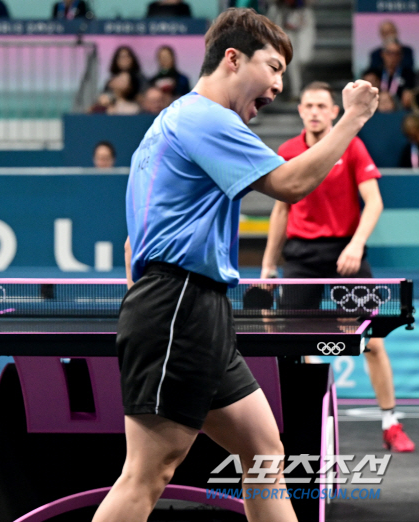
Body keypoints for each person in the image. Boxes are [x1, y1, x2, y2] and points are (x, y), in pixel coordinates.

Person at [92, 8, 379, 522]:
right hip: (178, 306)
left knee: (265, 452)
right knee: (146, 474)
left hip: (196, 309)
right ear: (232, 58)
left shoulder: (170, 122)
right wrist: (352, 118)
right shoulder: (206, 116)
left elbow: (133, 244)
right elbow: (289, 186)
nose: (277, 84)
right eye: (272, 67)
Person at [260, 81, 414, 453]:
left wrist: (356, 245)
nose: (314, 111)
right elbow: (281, 210)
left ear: (334, 111)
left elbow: (373, 202)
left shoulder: (353, 146)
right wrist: (268, 266)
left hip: (346, 255)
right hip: (300, 258)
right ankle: (306, 423)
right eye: (308, 105)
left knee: (373, 342)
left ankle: (390, 422)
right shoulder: (288, 150)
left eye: (321, 106)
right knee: (298, 348)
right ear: (300, 111)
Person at [266, 0, 315, 100]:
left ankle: (293, 81)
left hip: (303, 15)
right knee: (291, 59)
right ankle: (295, 91)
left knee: (304, 58)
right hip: (282, 15)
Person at [377, 38, 415, 110]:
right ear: (383, 54)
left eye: (397, 53)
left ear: (401, 56)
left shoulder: (409, 74)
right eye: (390, 53)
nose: (393, 57)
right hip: (377, 112)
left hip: (401, 112)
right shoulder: (375, 73)